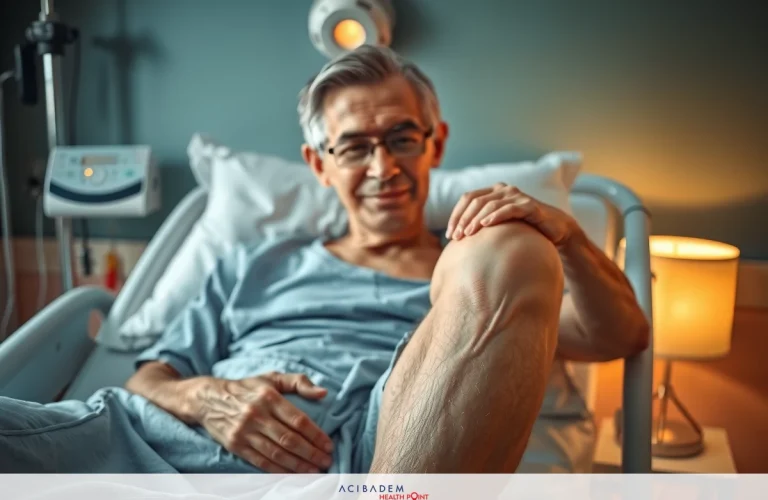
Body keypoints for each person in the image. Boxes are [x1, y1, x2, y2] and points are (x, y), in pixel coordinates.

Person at [0, 45, 648, 474]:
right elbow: (148, 379)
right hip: (156, 447)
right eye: (354, 147)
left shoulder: (478, 279)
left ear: (435, 143)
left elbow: (618, 333)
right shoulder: (252, 263)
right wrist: (213, 399)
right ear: (318, 165)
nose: (383, 167)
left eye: (401, 138)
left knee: (514, 243)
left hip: (359, 462)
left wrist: (564, 233)